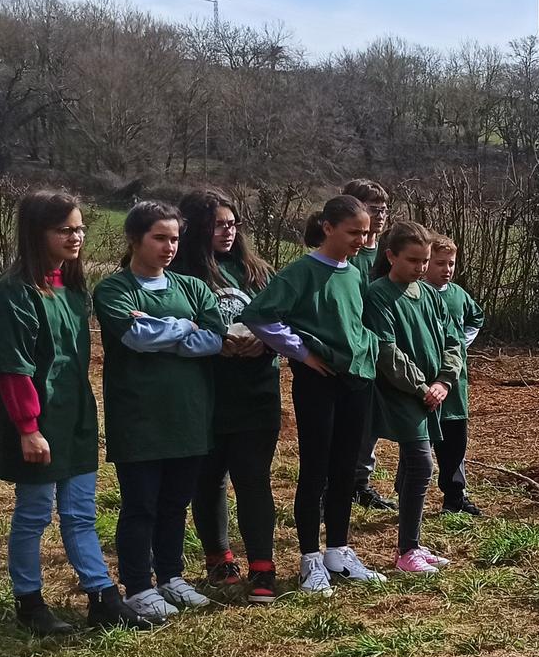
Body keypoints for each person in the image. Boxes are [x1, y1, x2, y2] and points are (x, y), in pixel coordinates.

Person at [0, 192, 143, 633]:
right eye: (65, 229)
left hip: (75, 418)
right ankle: (29, 603)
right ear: (39, 233)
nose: (77, 237)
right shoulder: (13, 293)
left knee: (80, 513)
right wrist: (28, 428)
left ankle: (102, 596)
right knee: (34, 514)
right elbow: (13, 369)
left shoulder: (71, 289)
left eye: (79, 228)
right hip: (37, 424)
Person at [242, 194, 385, 595]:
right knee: (316, 470)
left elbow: (357, 320)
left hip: (356, 379)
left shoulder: (355, 272)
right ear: (328, 228)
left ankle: (338, 551)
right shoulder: (301, 272)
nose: (361, 240)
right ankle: (310, 559)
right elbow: (258, 315)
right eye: (353, 232)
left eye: (366, 233)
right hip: (318, 382)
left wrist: (367, 347)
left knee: (345, 469)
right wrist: (302, 354)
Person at [92, 201, 226, 623]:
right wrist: (185, 326)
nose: (170, 246)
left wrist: (164, 328)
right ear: (135, 239)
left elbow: (217, 339)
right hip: (139, 417)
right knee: (141, 505)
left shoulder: (192, 287)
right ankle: (138, 586)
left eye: (175, 238)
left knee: (175, 503)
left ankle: (170, 576)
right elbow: (134, 338)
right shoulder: (113, 290)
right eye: (160, 238)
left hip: (188, 415)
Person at [175, 189, 282, 604]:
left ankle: (263, 567)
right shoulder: (183, 272)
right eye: (219, 224)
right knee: (209, 477)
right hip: (206, 392)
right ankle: (219, 557)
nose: (228, 230)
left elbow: (283, 321)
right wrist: (213, 343)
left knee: (254, 478)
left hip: (256, 391)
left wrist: (265, 343)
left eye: (233, 223)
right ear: (196, 228)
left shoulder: (257, 271)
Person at [365, 222, 461, 574]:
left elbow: (453, 341)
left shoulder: (431, 295)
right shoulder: (378, 295)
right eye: (413, 260)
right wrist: (422, 386)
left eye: (424, 261)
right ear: (391, 255)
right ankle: (406, 551)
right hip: (401, 393)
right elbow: (386, 351)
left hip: (432, 393)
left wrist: (445, 382)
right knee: (422, 464)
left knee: (412, 463)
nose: (420, 268)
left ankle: (413, 543)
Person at [343, 179, 398, 512]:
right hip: (350, 354)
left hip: (381, 351)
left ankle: (360, 485)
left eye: (384, 208)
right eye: (373, 208)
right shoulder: (346, 255)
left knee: (370, 425)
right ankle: (331, 488)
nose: (381, 214)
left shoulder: (391, 252)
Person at [425, 235, 484, 516]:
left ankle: (455, 496)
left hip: (455, 384)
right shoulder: (416, 293)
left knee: (455, 441)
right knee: (420, 442)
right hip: (424, 380)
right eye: (439, 263)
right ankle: (412, 493)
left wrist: (462, 342)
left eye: (451, 264)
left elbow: (476, 316)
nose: (446, 269)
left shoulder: (458, 294)